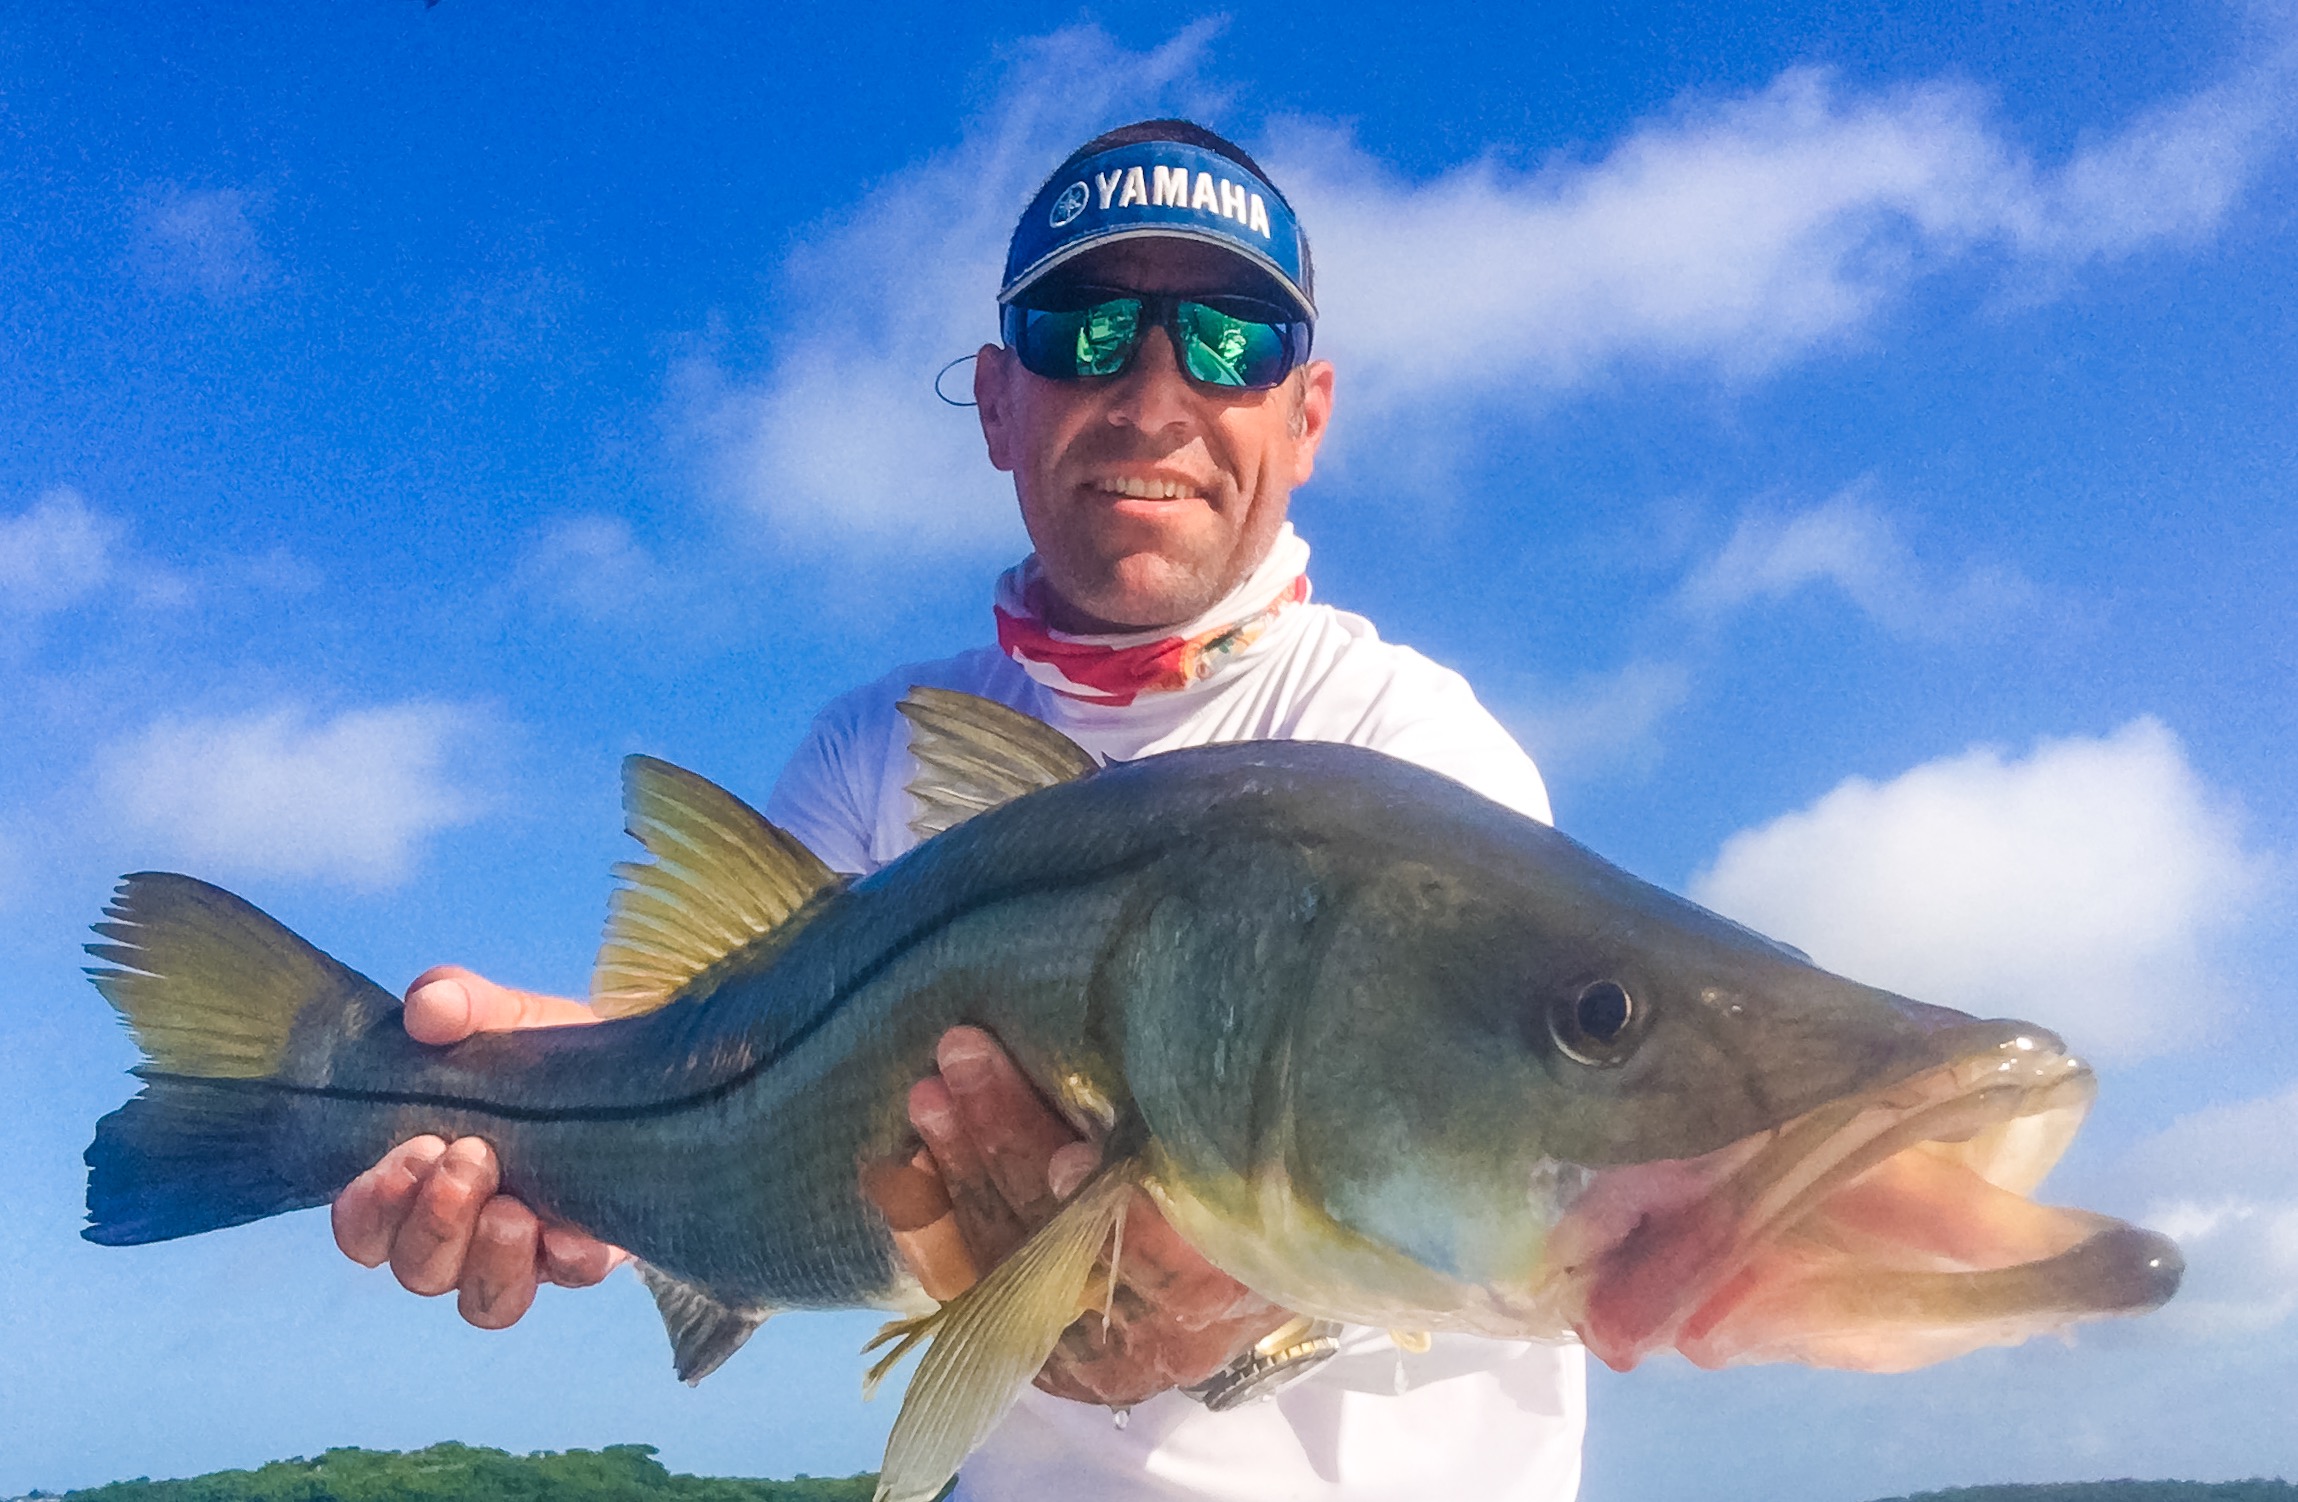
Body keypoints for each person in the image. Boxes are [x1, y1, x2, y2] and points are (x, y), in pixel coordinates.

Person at [331, 119, 1587, 1501]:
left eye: (1230, 339)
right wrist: (530, 1108)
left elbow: (1517, 1197)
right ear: (998, 401)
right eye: (1084, 331)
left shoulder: (1409, 755)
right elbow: (720, 1077)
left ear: (1307, 412)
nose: (1156, 394)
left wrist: (1242, 1318)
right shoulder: (873, 746)